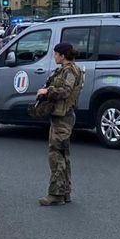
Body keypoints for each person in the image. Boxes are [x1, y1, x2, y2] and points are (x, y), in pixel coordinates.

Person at [35, 42, 85, 206]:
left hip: (63, 118)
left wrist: (47, 91)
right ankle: (65, 192)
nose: (54, 56)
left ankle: (56, 194)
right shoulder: (67, 69)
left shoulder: (69, 71)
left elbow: (65, 91)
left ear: (62, 55)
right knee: (63, 154)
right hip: (61, 116)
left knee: (56, 154)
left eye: (56, 54)